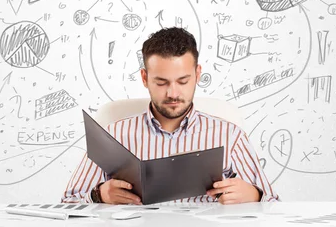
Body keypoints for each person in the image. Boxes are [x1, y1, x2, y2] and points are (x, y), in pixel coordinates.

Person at [62, 27, 279, 204]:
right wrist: (98, 195)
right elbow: (68, 203)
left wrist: (254, 195)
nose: (173, 93)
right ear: (145, 78)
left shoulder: (230, 135)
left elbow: (273, 204)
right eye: (161, 82)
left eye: (183, 81)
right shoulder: (114, 134)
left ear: (197, 74)